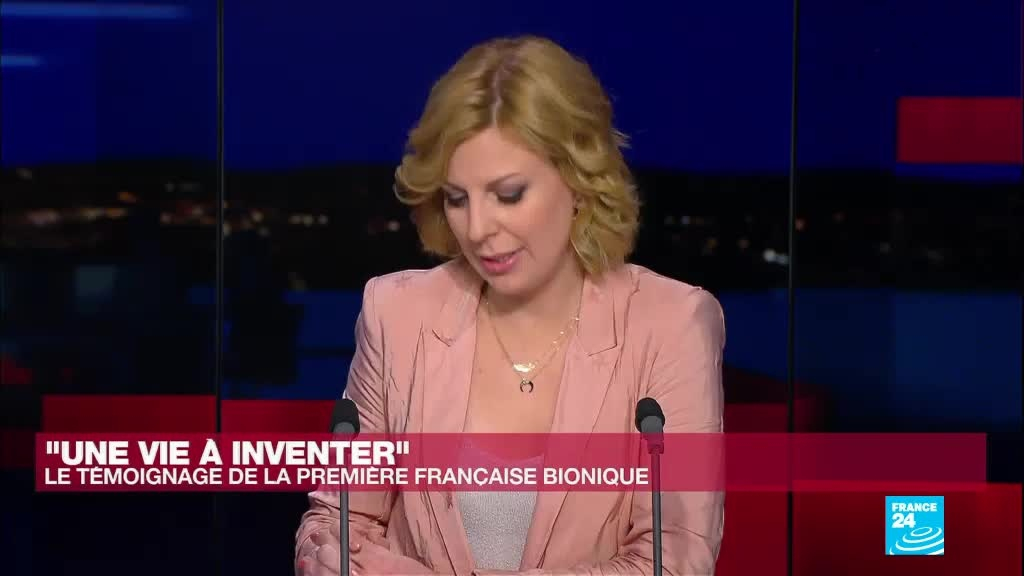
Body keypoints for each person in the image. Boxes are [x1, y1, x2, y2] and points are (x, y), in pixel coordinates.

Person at [295, 35, 725, 575]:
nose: (477, 229)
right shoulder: (396, 313)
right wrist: (326, 558)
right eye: (457, 198)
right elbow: (334, 522)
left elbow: (674, 558)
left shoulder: (672, 323)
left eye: (508, 194)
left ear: (578, 181)